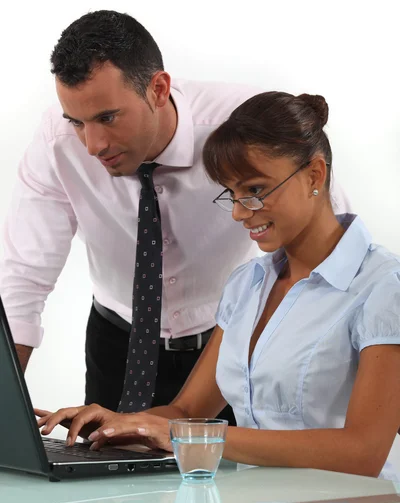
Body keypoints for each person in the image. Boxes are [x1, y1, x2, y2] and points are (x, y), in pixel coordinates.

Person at [0, 10, 350, 424]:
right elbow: (23, 277)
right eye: (76, 122)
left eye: (107, 118)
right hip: (118, 341)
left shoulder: (239, 128)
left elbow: (327, 233)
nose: (92, 145)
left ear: (159, 89)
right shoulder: (56, 144)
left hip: (230, 340)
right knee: (107, 476)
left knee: (238, 478)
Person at [37, 91, 400, 480]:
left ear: (315, 174)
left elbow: (363, 452)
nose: (241, 212)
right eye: (233, 194)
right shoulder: (247, 286)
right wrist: (121, 424)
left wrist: (185, 435)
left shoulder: (382, 288)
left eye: (256, 190)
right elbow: (185, 412)